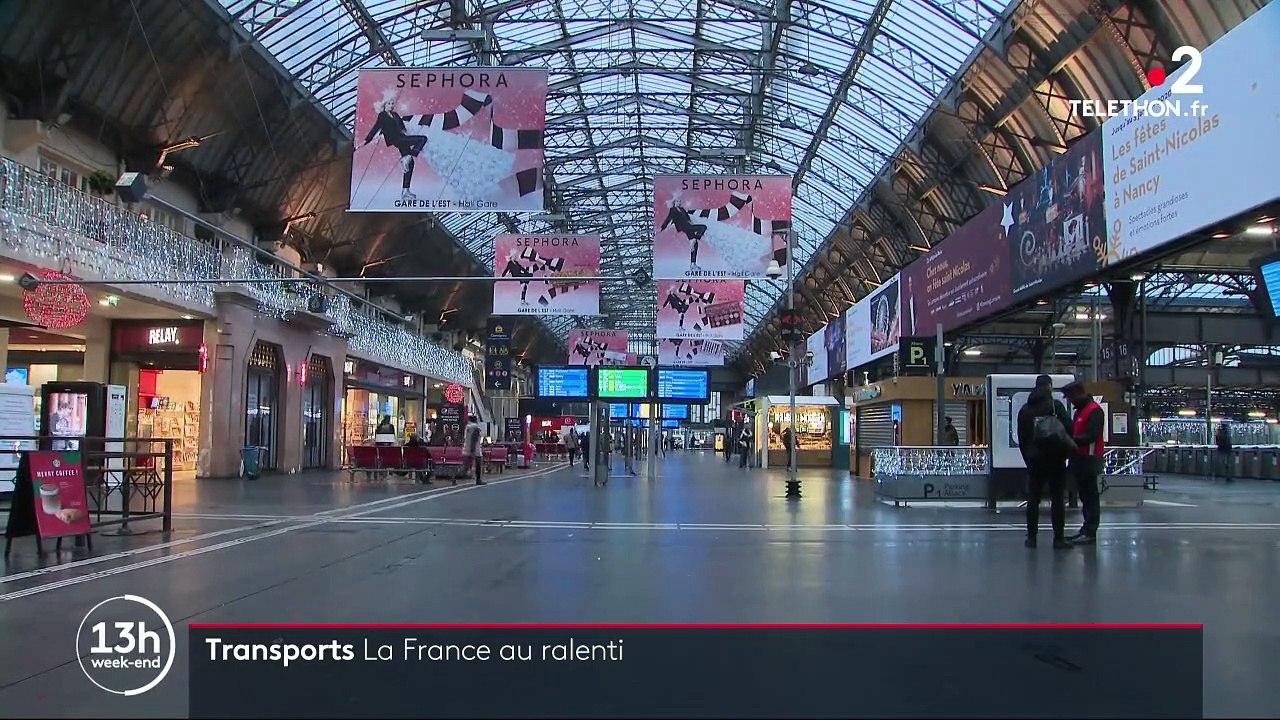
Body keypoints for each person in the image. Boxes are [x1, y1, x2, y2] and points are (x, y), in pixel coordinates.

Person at [1016, 375, 1074, 549]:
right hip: (1056, 459)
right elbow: (1069, 429)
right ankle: (1058, 538)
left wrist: (1028, 459)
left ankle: (1032, 538)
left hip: (1035, 461)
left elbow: (1022, 439)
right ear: (1049, 387)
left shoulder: (1025, 410)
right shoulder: (1056, 407)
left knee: (1033, 499)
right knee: (1057, 498)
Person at [1063, 380, 1105, 545]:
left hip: (1090, 459)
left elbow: (1092, 435)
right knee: (1085, 496)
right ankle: (1086, 529)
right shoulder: (1080, 411)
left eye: (1070, 397)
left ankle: (1090, 531)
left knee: (1090, 496)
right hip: (1079, 459)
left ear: (1078, 394)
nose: (1070, 401)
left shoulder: (1094, 411)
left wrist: (1072, 440)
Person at [462, 415, 484, 486]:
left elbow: (465, 438)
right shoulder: (476, 428)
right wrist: (473, 450)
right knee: (478, 465)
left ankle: (460, 476)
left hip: (466, 448)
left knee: (467, 464)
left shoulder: (467, 427)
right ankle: (478, 480)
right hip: (475, 449)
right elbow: (474, 439)